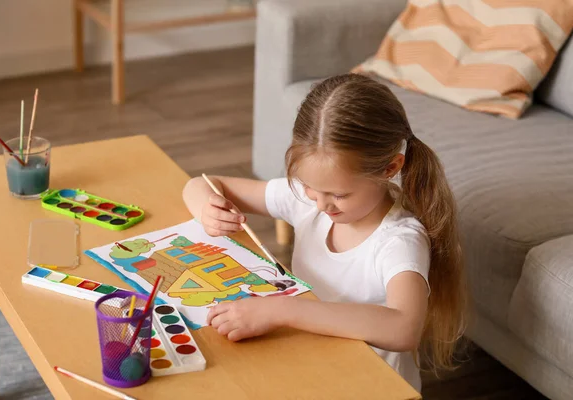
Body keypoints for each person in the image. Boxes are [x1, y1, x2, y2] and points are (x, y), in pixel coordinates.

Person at [182, 73, 466, 391]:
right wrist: (207, 206)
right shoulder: (311, 197)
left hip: (365, 386)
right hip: (309, 363)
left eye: (339, 195)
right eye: (309, 187)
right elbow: (202, 184)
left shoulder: (399, 241)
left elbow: (404, 328)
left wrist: (284, 310)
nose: (320, 205)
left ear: (389, 168)